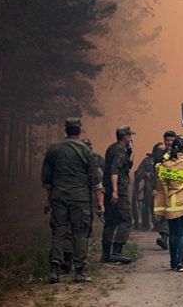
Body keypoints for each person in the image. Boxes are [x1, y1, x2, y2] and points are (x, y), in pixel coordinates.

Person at [41, 118, 103, 283]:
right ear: (79, 130)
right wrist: (99, 202)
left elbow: (47, 178)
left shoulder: (54, 149)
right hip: (80, 198)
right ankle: (79, 271)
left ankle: (55, 269)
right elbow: (95, 179)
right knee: (80, 233)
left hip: (59, 196)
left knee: (59, 232)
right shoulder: (86, 150)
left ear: (66, 129)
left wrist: (48, 200)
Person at [154, 135, 183, 271]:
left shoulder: (165, 166)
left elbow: (157, 167)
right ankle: (181, 263)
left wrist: (169, 154)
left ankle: (173, 262)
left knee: (173, 233)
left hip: (172, 204)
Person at [102, 125, 136, 264]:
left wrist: (130, 153)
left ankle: (105, 254)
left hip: (109, 189)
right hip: (118, 190)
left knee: (111, 220)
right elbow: (114, 170)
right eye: (129, 136)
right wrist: (115, 191)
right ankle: (117, 251)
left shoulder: (112, 148)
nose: (131, 138)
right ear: (125, 137)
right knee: (126, 220)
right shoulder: (120, 150)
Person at [152, 130, 177, 248]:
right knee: (162, 214)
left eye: (172, 140)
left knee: (175, 215)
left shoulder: (179, 153)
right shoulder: (160, 154)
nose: (169, 142)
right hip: (162, 189)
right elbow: (156, 169)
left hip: (176, 189)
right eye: (167, 140)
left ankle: (178, 242)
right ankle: (164, 238)